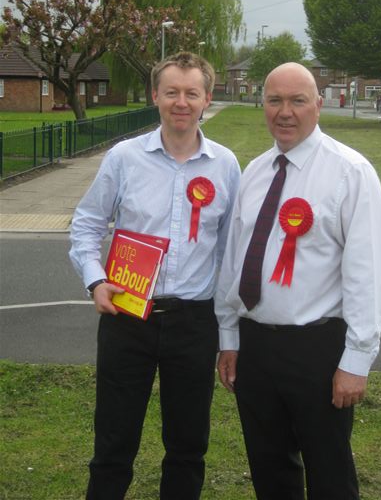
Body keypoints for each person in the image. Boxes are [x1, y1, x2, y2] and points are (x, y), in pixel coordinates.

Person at [69, 51, 241, 500]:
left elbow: (230, 253)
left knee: (187, 447)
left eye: (191, 93)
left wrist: (229, 335)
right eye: (171, 92)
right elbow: (87, 223)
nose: (180, 102)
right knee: (113, 443)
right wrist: (94, 278)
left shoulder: (226, 166)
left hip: (193, 323)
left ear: (206, 99)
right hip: (127, 317)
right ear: (155, 96)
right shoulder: (123, 158)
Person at [215, 62, 381, 500]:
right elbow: (234, 260)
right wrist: (229, 337)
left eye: (297, 101)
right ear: (263, 105)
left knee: (329, 473)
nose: (285, 112)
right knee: (269, 471)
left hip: (318, 351)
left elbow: (368, 273)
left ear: (318, 105)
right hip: (256, 348)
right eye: (274, 100)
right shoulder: (254, 171)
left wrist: (357, 360)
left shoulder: (351, 172)